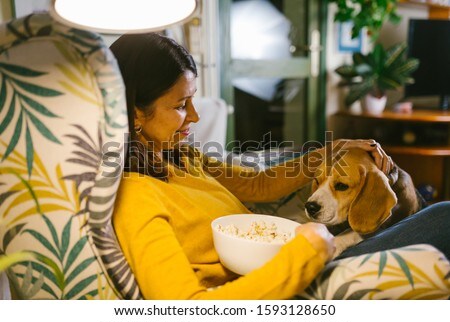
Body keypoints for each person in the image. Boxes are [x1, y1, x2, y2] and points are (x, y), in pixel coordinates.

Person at [110, 33, 450, 300]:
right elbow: (186, 309)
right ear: (136, 112)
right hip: (288, 286)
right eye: (182, 105)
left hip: (296, 262)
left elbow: (259, 185)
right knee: (444, 217)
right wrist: (308, 248)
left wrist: (334, 151)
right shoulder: (136, 196)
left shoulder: (182, 157)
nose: (196, 116)